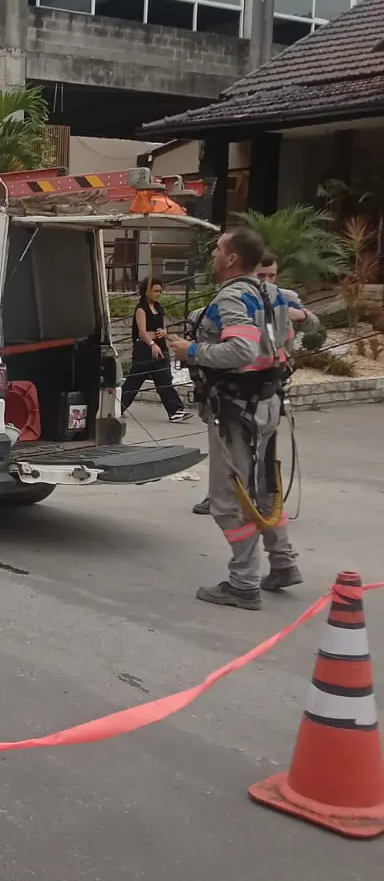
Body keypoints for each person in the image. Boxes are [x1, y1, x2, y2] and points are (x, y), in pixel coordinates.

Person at [168, 227, 302, 610]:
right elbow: (294, 333)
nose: (213, 254)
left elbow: (241, 350)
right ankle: (283, 564)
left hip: (235, 410)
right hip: (267, 402)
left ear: (231, 258)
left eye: (217, 249)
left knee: (228, 501)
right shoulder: (272, 293)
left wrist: (190, 350)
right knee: (263, 489)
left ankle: (243, 583)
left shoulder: (233, 296)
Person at [191, 251, 320, 515]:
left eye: (273, 275)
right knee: (227, 447)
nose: (268, 280)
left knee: (264, 446)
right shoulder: (239, 298)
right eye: (262, 275)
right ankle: (220, 496)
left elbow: (315, 325)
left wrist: (302, 317)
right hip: (233, 386)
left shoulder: (284, 298)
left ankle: (264, 497)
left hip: (268, 385)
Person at [120, 276, 192, 423]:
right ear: (147, 292)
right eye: (155, 291)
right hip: (145, 348)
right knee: (134, 381)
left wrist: (164, 333)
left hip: (160, 346)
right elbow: (142, 331)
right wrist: (152, 344)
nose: (158, 294)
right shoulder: (141, 308)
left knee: (164, 379)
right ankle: (118, 407)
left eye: (160, 291)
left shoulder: (159, 307)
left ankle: (175, 411)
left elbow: (163, 326)